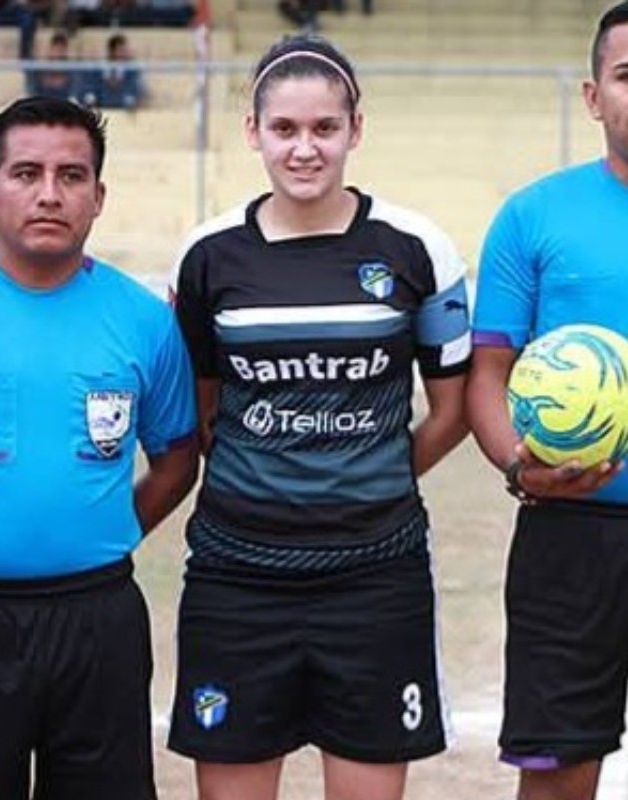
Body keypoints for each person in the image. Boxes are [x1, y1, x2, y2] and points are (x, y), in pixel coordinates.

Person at [167, 33, 471, 800]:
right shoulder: (206, 255)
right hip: (237, 577)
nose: (305, 149)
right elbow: (203, 409)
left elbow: (453, 409)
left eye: (325, 128)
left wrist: (372, 473)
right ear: (253, 132)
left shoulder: (417, 248)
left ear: (355, 130)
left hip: (376, 576)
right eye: (284, 129)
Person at [0, 96, 199, 800]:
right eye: (26, 173)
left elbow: (178, 460)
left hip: (100, 618)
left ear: (98, 196)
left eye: (71, 176)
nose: (48, 193)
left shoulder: (144, 321)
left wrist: (101, 531)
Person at [466, 1, 628, 799]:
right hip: (567, 540)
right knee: (558, 779)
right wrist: (518, 465)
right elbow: (488, 373)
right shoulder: (533, 217)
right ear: (595, 96)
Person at [80, 32, 146, 110]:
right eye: (121, 50)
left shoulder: (132, 70)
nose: (125, 53)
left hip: (125, 111)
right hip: (102, 109)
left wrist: (136, 103)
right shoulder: (97, 69)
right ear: (111, 51)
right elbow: (89, 92)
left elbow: (140, 92)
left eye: (125, 50)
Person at [26, 29, 80, 100]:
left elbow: (74, 89)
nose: (59, 51)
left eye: (62, 48)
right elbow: (33, 89)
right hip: (43, 101)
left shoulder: (72, 69)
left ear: (66, 50)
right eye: (56, 48)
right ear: (51, 48)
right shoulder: (40, 68)